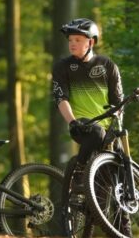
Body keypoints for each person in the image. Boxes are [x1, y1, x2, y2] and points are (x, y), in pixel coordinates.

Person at [52, 18, 123, 167]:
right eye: (70, 40)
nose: (72, 43)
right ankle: (78, 169)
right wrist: (72, 122)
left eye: (77, 40)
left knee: (120, 166)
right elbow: (61, 98)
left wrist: (116, 126)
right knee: (97, 133)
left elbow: (118, 102)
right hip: (81, 123)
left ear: (90, 42)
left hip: (108, 127)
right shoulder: (62, 67)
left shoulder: (108, 65)